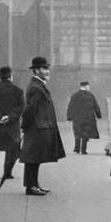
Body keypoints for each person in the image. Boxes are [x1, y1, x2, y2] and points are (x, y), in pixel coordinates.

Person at [19, 56, 66, 196]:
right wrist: (25, 126)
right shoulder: (36, 87)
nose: (47, 71)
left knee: (35, 158)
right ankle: (31, 186)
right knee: (32, 158)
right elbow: (29, 110)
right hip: (36, 128)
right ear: (37, 70)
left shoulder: (38, 85)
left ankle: (34, 184)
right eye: (45, 69)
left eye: (47, 68)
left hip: (39, 127)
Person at [0, 65, 24, 180]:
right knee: (10, 148)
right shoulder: (18, 90)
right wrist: (9, 117)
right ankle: (7, 172)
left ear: (0, 77)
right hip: (12, 125)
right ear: (11, 76)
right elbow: (21, 106)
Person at [66, 81, 102, 155]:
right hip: (88, 118)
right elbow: (96, 106)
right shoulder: (90, 95)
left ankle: (77, 148)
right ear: (86, 86)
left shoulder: (75, 95)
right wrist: (99, 115)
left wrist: (69, 117)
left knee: (77, 132)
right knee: (85, 133)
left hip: (77, 117)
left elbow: (70, 106)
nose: (89, 88)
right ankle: (83, 150)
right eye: (88, 86)